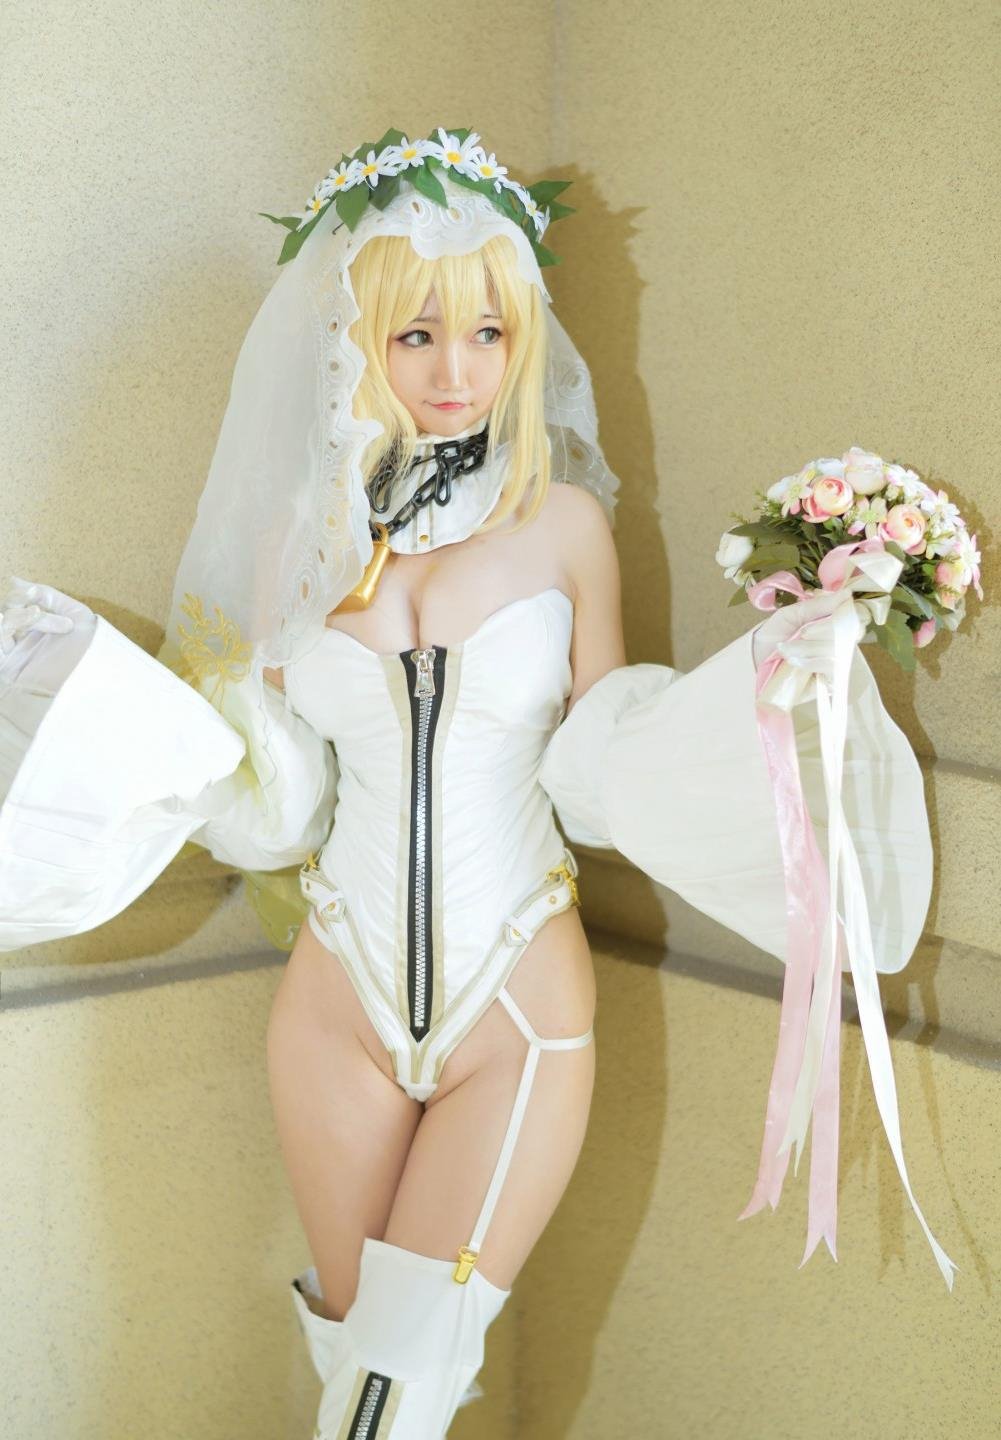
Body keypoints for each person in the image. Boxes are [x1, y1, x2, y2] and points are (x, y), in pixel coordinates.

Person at [0, 127, 937, 1436]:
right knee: (360, 1357)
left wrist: (794, 661)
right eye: (418, 335)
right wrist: (115, 704)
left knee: (405, 1372)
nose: (457, 371)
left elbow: (597, 767)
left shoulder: (567, 529)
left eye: (488, 334)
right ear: (357, 342)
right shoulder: (300, 540)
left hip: (520, 1001)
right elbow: (280, 804)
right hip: (332, 998)